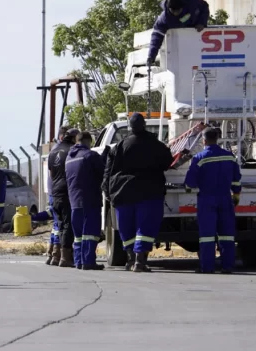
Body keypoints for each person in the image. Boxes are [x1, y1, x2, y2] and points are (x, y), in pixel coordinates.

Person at [103, 113, 173, 272]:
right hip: (149, 191)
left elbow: (108, 171)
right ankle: (140, 261)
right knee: (145, 227)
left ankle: (130, 260)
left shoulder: (119, 146)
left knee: (126, 227)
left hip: (123, 192)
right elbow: (168, 162)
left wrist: (107, 191)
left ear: (130, 126)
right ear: (144, 125)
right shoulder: (155, 144)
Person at [184, 127, 242, 274]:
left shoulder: (199, 158)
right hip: (225, 199)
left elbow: (189, 183)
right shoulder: (230, 157)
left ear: (204, 140)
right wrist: (236, 195)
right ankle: (227, 266)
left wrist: (188, 188)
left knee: (207, 236)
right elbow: (236, 180)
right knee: (227, 235)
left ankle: (207, 267)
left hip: (207, 200)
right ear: (217, 139)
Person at [65, 131, 105, 270]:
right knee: (90, 233)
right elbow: (102, 173)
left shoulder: (69, 158)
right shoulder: (90, 155)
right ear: (89, 141)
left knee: (78, 236)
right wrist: (105, 156)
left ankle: (79, 261)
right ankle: (88, 262)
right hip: (90, 200)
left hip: (74, 202)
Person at [147, 0, 210, 66]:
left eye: (178, 11)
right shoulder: (164, 18)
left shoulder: (193, 3)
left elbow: (205, 6)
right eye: (173, 11)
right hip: (179, 46)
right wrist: (151, 56)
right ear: (169, 8)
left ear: (182, 7)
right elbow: (156, 36)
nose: (175, 13)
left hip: (195, 38)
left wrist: (202, 22)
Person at [48, 126, 80, 267]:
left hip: (55, 192)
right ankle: (66, 258)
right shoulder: (72, 151)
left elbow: (51, 173)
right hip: (67, 192)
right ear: (73, 139)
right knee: (68, 225)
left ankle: (56, 256)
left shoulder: (53, 151)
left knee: (60, 225)